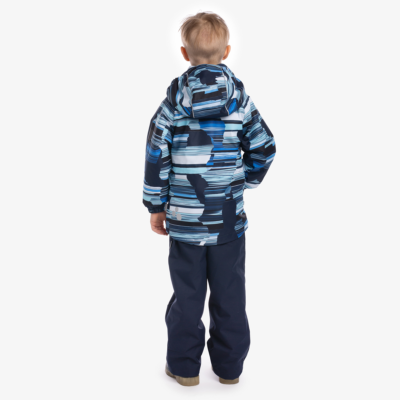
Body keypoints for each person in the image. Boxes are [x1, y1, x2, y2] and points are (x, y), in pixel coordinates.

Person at [142, 11, 276, 386]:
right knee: (230, 296)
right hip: (228, 222)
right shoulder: (241, 102)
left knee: (187, 297)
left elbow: (155, 156)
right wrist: (242, 181)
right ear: (227, 51)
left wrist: (156, 206)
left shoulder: (172, 105)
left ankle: (184, 368)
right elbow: (265, 148)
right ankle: (229, 371)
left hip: (185, 223)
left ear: (185, 54)